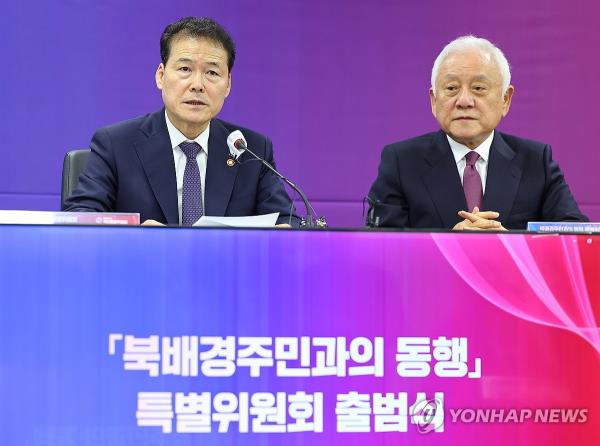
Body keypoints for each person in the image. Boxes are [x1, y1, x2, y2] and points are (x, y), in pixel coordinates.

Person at [63, 17, 298, 227]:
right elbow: (80, 216)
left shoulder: (251, 150)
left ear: (228, 85)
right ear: (161, 76)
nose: (197, 84)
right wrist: (134, 236)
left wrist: (286, 235)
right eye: (185, 69)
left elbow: (290, 222)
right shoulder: (116, 144)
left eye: (212, 73)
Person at [367, 35, 587, 230]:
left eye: (479, 88)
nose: (464, 101)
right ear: (434, 100)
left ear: (505, 100)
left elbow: (577, 238)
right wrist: (452, 245)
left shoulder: (536, 162)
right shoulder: (402, 162)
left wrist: (509, 245)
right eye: (451, 88)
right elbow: (382, 247)